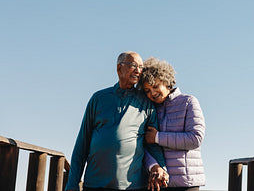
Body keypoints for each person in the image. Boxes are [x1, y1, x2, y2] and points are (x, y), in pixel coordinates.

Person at [66, 51, 169, 191]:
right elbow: (81, 145)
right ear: (119, 68)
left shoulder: (146, 102)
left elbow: (152, 146)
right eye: (133, 65)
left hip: (132, 186)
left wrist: (161, 169)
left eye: (141, 67)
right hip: (94, 184)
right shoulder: (98, 98)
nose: (138, 71)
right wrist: (72, 184)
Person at [139, 57, 206, 191]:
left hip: (186, 183)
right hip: (158, 183)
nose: (152, 93)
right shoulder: (148, 109)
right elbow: (143, 145)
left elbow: (195, 138)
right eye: (147, 90)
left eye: (155, 86)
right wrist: (153, 166)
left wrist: (158, 137)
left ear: (165, 81)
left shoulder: (189, 102)